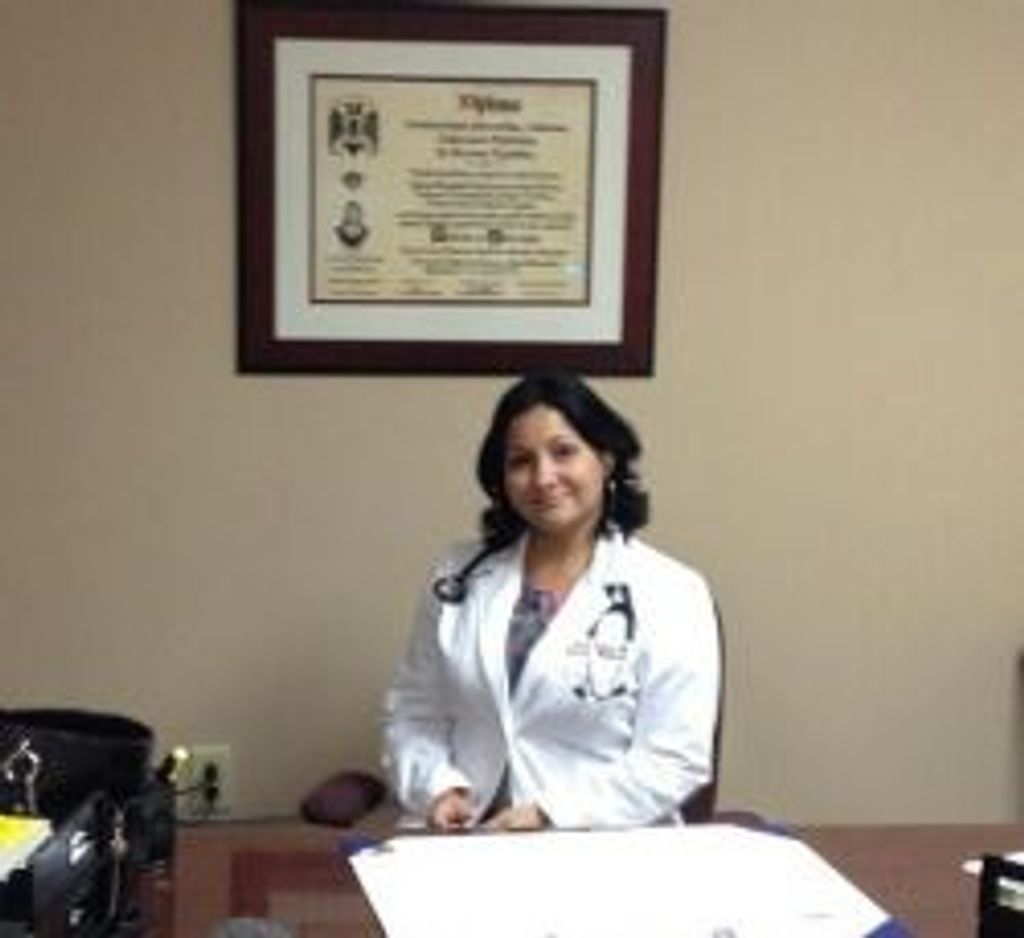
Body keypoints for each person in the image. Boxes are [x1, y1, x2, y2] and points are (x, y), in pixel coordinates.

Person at [382, 372, 721, 832]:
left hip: (600, 843)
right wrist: (439, 787)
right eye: (521, 461)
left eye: (563, 452)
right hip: (463, 839)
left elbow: (676, 757)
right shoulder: (457, 575)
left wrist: (549, 814)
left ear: (605, 458)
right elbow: (414, 711)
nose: (542, 478)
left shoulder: (673, 591)